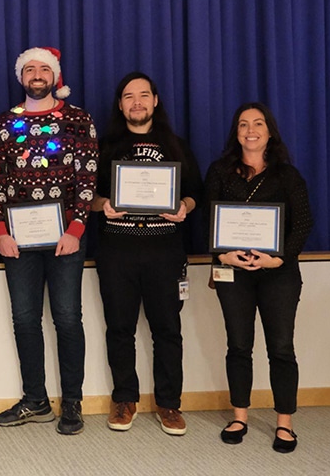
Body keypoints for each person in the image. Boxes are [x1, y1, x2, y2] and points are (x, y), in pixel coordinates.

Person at [0, 46, 98, 435]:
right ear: (21, 77)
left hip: (67, 238)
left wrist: (76, 229)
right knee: (24, 319)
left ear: (55, 77)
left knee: (67, 317)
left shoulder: (78, 120)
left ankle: (72, 401)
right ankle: (34, 399)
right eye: (29, 69)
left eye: (43, 69)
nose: (37, 74)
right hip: (17, 240)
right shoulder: (3, 124)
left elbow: (87, 178)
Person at [91, 72, 202, 436]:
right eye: (128, 96)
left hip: (164, 249)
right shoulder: (105, 146)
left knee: (167, 330)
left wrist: (183, 206)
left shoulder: (177, 146)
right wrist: (103, 204)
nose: (136, 102)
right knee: (119, 328)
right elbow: (86, 197)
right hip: (117, 250)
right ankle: (125, 399)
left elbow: (194, 193)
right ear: (120, 104)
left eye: (143, 95)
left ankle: (170, 404)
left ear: (155, 100)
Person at [206, 103, 313, 453]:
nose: (250, 130)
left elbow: (302, 225)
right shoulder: (220, 171)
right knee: (238, 346)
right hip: (231, 272)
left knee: (281, 348)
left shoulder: (288, 175)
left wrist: (277, 258)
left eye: (258, 123)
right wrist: (222, 254)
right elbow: (208, 221)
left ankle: (285, 422)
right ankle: (240, 416)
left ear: (270, 132)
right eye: (243, 124)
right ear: (236, 133)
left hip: (278, 274)